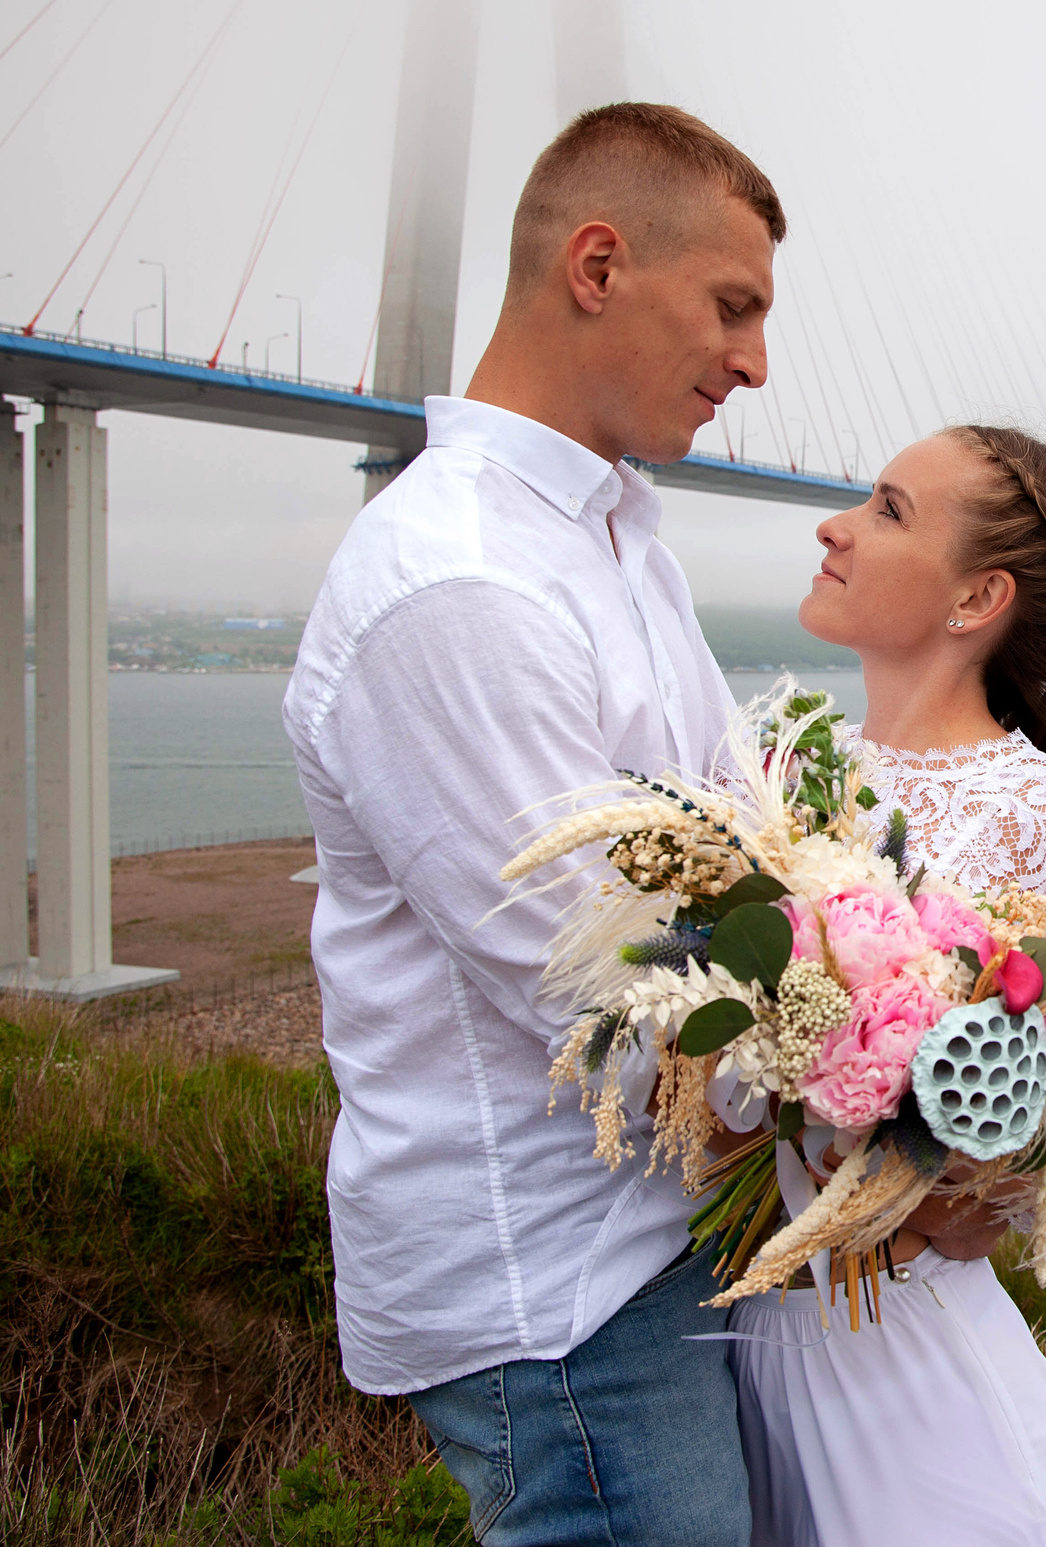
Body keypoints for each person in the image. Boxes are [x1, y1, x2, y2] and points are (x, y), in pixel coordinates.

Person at [283, 103, 783, 1547]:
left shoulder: (616, 535)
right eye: (733, 306)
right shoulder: (461, 581)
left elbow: (740, 847)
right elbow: (601, 980)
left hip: (648, 1235)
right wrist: (891, 1093)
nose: (755, 362)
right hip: (557, 1288)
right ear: (599, 264)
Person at [728, 424, 1046, 1547]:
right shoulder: (766, 771)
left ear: (977, 600)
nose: (835, 526)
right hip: (726, 1352)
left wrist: (985, 1164)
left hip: (907, 1376)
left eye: (885, 509)